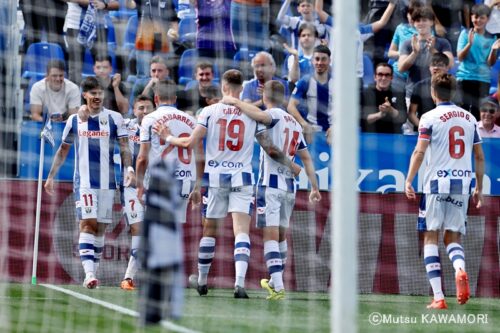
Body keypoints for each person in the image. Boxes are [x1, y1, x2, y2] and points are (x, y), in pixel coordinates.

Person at [153, 69, 300, 298]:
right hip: (242, 178)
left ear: (223, 87)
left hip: (215, 178)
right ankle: (239, 283)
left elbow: (191, 143)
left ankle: (202, 281)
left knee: (209, 230)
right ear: (241, 88)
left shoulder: (209, 112)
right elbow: (269, 148)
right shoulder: (251, 114)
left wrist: (168, 137)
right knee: (241, 231)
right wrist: (292, 166)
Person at [220, 80, 321, 300]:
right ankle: (277, 281)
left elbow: (271, 146)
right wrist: (314, 186)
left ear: (264, 97)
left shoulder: (272, 115)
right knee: (281, 236)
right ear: (285, 98)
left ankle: (278, 286)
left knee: (271, 237)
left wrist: (234, 100)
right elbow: (307, 158)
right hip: (290, 190)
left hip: (270, 186)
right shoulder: (294, 123)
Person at [44, 76, 134, 289]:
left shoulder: (114, 118)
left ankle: (93, 271)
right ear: (85, 95)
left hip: (108, 183)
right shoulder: (74, 120)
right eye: (93, 93)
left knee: (101, 229)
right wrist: (50, 176)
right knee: (87, 224)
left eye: (100, 93)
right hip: (84, 182)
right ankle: (89, 274)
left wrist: (128, 168)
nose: (97, 97)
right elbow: (63, 149)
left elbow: (124, 147)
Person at [405, 73, 485, 309]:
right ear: (455, 93)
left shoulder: (428, 117)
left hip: (434, 185)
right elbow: (479, 156)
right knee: (452, 237)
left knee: (431, 236)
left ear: (432, 92)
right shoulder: (470, 119)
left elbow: (419, 151)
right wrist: (478, 187)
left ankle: (439, 297)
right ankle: (459, 268)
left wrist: (408, 179)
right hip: (462, 185)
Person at [136, 80, 199, 227]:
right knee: (174, 228)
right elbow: (199, 156)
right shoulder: (191, 120)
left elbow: (142, 157)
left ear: (156, 98)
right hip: (185, 180)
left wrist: (139, 185)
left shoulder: (150, 119)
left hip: (160, 180)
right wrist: (197, 185)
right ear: (175, 98)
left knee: (157, 229)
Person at [120, 95, 155, 291]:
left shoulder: (160, 125)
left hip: (157, 185)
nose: (144, 111)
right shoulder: (126, 126)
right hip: (132, 186)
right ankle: (129, 278)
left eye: (148, 108)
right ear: (134, 110)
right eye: (140, 108)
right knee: (138, 229)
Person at [398, 7, 454, 97]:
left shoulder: (443, 42)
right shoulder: (408, 43)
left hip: (438, 93)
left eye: (424, 20)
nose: (421, 23)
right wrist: (414, 53)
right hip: (413, 93)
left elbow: (450, 64)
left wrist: (433, 50)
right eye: (418, 20)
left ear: (431, 22)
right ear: (413, 23)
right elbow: (401, 68)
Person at [456, 4, 499, 121]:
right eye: (475, 17)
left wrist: (494, 50)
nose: (478, 20)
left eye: (482, 18)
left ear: (487, 19)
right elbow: (460, 57)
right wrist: (469, 44)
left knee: (477, 113)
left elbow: (490, 63)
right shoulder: (465, 34)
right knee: (461, 113)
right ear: (471, 17)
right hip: (464, 78)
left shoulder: (493, 38)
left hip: (483, 80)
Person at [288, 44, 333, 144]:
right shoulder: (305, 81)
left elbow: (347, 108)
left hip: (333, 132)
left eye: (323, 59)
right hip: (311, 132)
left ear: (329, 61)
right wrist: (304, 124)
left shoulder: (338, 83)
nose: (319, 62)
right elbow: (291, 106)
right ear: (312, 60)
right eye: (317, 59)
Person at [408, 52, 450, 132]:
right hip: (423, 131)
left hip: (446, 131)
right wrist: (424, 128)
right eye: (433, 65)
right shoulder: (419, 86)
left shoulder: (453, 86)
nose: (436, 68)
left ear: (447, 67)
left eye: (440, 65)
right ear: (429, 67)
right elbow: (411, 114)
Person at [361, 62, 407, 134]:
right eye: (380, 74)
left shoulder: (398, 93)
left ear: (391, 78)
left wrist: (390, 110)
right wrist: (380, 114)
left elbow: (403, 118)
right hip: (369, 136)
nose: (383, 78)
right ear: (375, 77)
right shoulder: (365, 93)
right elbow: (360, 120)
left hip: (392, 136)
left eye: (387, 75)